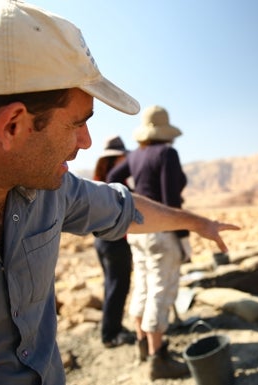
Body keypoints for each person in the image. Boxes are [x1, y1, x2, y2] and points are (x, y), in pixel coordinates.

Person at [0, 2, 239, 385]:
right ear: (12, 126)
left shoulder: (47, 190)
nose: (86, 142)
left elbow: (123, 208)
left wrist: (198, 223)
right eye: (77, 124)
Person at [107, 105, 191, 380]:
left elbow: (112, 179)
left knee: (143, 284)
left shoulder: (136, 155)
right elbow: (170, 197)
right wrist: (183, 234)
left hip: (137, 230)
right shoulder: (167, 153)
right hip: (162, 231)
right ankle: (159, 358)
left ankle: (143, 344)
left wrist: (131, 201)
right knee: (160, 289)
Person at [92, 136, 135, 348]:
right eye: (123, 157)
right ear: (117, 158)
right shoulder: (115, 182)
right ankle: (110, 335)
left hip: (104, 241)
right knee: (119, 286)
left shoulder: (101, 178)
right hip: (115, 242)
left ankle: (112, 328)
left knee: (112, 285)